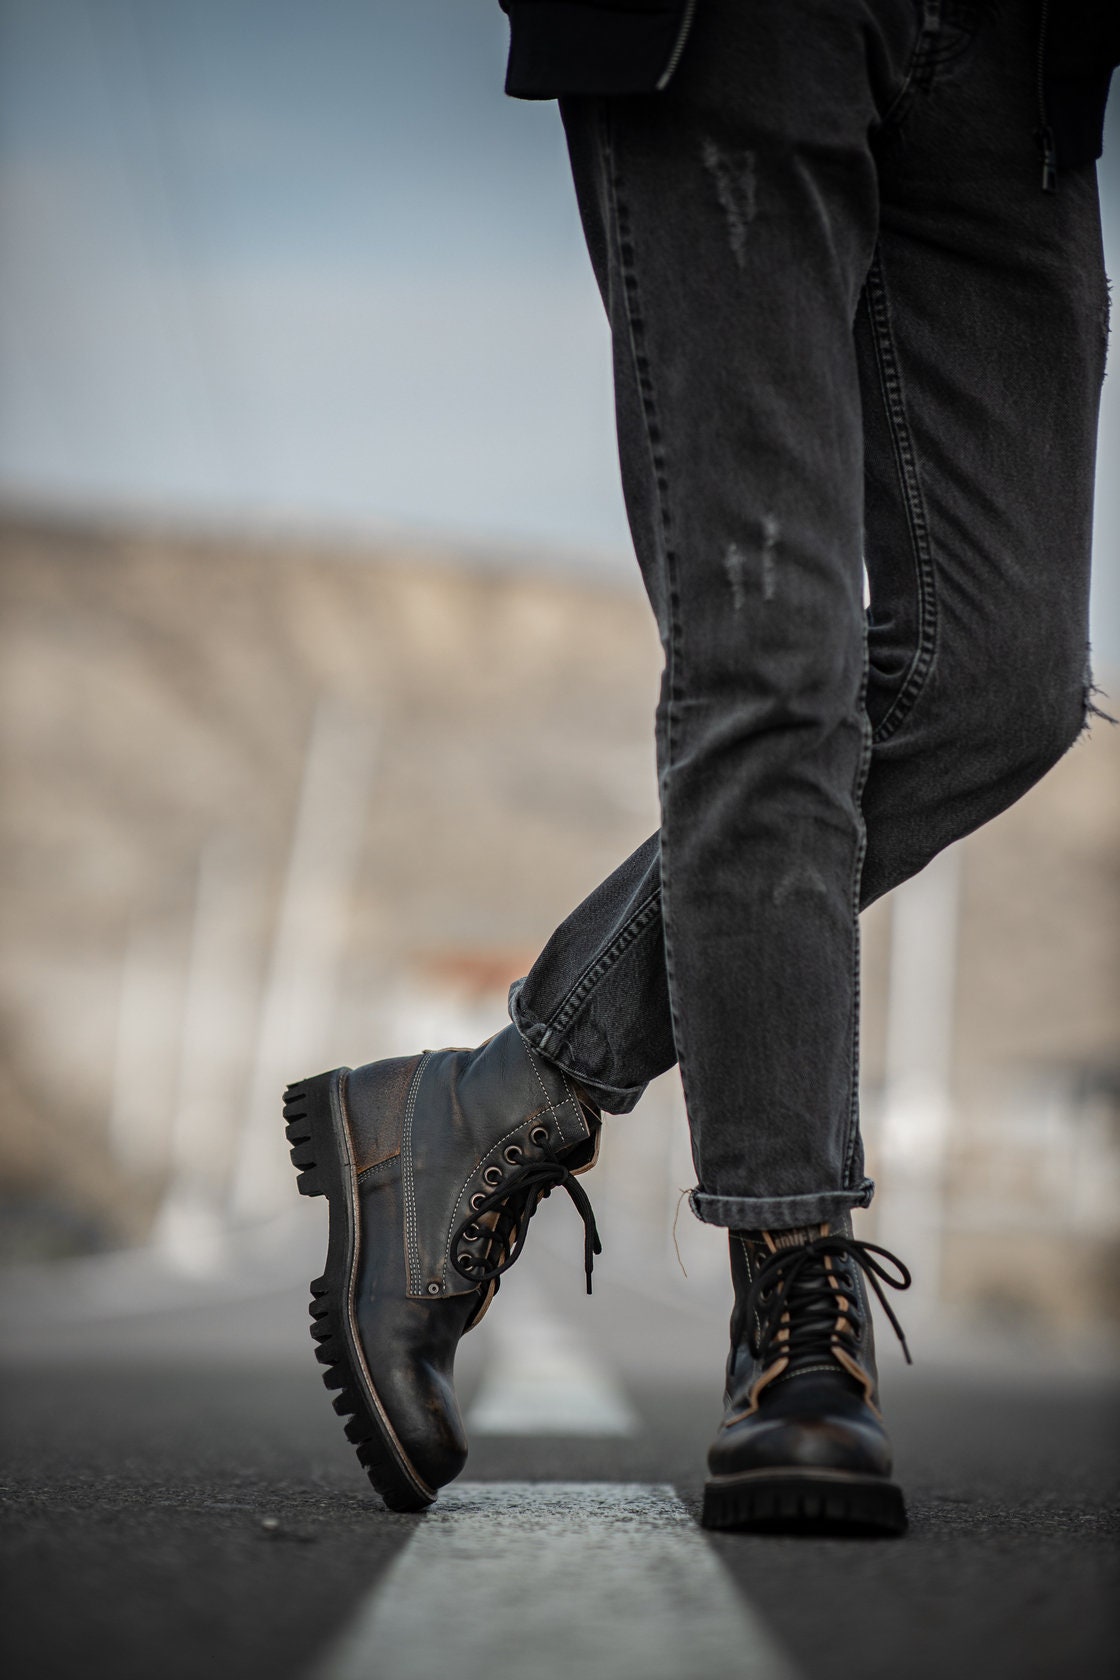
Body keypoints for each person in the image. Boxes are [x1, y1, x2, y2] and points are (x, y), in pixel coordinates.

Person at [282, 0, 1116, 1534]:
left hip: (1020, 66)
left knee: (1001, 682)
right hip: (736, 31)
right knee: (772, 654)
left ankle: (493, 1103)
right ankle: (792, 1291)